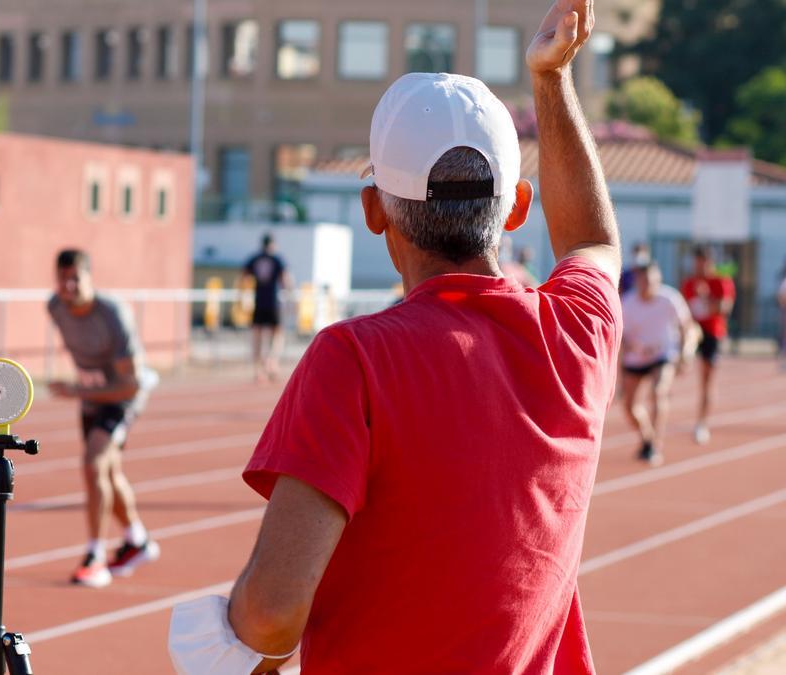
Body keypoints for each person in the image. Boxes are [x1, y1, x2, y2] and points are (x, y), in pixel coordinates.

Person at [169, 2, 622, 672]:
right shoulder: (579, 333)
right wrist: (552, 80)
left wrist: (217, 633)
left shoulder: (354, 359)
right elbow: (590, 239)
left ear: (374, 210)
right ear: (518, 207)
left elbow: (269, 614)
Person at [47, 249, 159, 588]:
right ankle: (136, 540)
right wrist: (83, 389)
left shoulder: (113, 315)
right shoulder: (54, 306)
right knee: (108, 472)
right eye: (63, 279)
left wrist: (77, 391)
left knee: (94, 464)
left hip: (123, 396)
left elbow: (129, 385)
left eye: (76, 279)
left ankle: (95, 556)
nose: (69, 287)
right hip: (91, 397)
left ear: (90, 278)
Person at [620, 261, 696, 465]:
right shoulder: (627, 303)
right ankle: (647, 437)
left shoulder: (669, 298)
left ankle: (655, 443)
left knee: (659, 391)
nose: (647, 285)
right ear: (637, 281)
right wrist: (618, 373)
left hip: (663, 354)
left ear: (658, 279)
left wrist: (685, 354)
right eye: (643, 280)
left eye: (651, 280)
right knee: (629, 406)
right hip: (636, 358)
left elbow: (688, 328)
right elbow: (621, 339)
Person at [680, 245, 735, 444]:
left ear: (710, 262)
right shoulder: (689, 283)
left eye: (703, 262)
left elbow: (723, 309)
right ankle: (681, 361)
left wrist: (705, 296)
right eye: (697, 262)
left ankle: (702, 423)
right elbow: (684, 312)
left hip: (712, 332)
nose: (700, 266)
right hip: (694, 332)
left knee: (707, 380)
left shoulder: (720, 281)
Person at [241, 234, 293, 382]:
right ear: (272, 244)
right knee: (277, 334)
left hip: (258, 302)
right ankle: (271, 361)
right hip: (272, 303)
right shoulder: (276, 259)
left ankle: (258, 369)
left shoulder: (255, 259)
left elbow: (243, 277)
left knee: (257, 336)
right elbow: (286, 280)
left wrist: (243, 297)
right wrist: (290, 298)